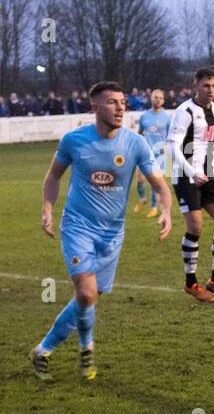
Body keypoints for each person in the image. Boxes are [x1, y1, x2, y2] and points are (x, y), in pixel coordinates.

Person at [30, 81, 174, 381]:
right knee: (86, 292)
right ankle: (71, 348)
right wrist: (46, 208)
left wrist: (166, 210)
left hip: (113, 234)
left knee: (89, 298)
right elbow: (53, 176)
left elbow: (159, 184)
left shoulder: (135, 143)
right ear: (95, 107)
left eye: (123, 102)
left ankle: (60, 348)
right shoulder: (74, 141)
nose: (121, 107)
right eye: (112, 102)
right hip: (77, 226)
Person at [167, 67, 214, 303]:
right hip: (186, 176)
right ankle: (191, 283)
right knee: (195, 227)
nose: (210, 90)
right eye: (206, 85)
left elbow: (213, 147)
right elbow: (173, 147)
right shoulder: (184, 111)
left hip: (211, 176)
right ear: (195, 84)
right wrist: (191, 172)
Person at [133, 89, 170, 218]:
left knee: (154, 182)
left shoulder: (167, 118)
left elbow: (171, 136)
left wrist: (167, 147)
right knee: (139, 179)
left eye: (160, 97)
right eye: (156, 97)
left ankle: (154, 207)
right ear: (151, 99)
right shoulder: (144, 116)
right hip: (145, 152)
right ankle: (143, 199)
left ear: (163, 100)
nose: (158, 99)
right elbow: (140, 133)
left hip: (159, 154)